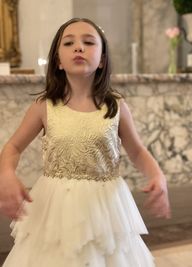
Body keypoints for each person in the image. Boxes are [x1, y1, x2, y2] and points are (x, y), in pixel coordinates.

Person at [0, 18, 170, 267]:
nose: (78, 47)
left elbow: (137, 151)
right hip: (56, 206)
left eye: (88, 42)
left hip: (106, 208)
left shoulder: (116, 106)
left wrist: (157, 175)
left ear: (102, 59)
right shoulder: (44, 106)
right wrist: (6, 173)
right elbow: (13, 147)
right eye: (69, 43)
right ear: (58, 60)